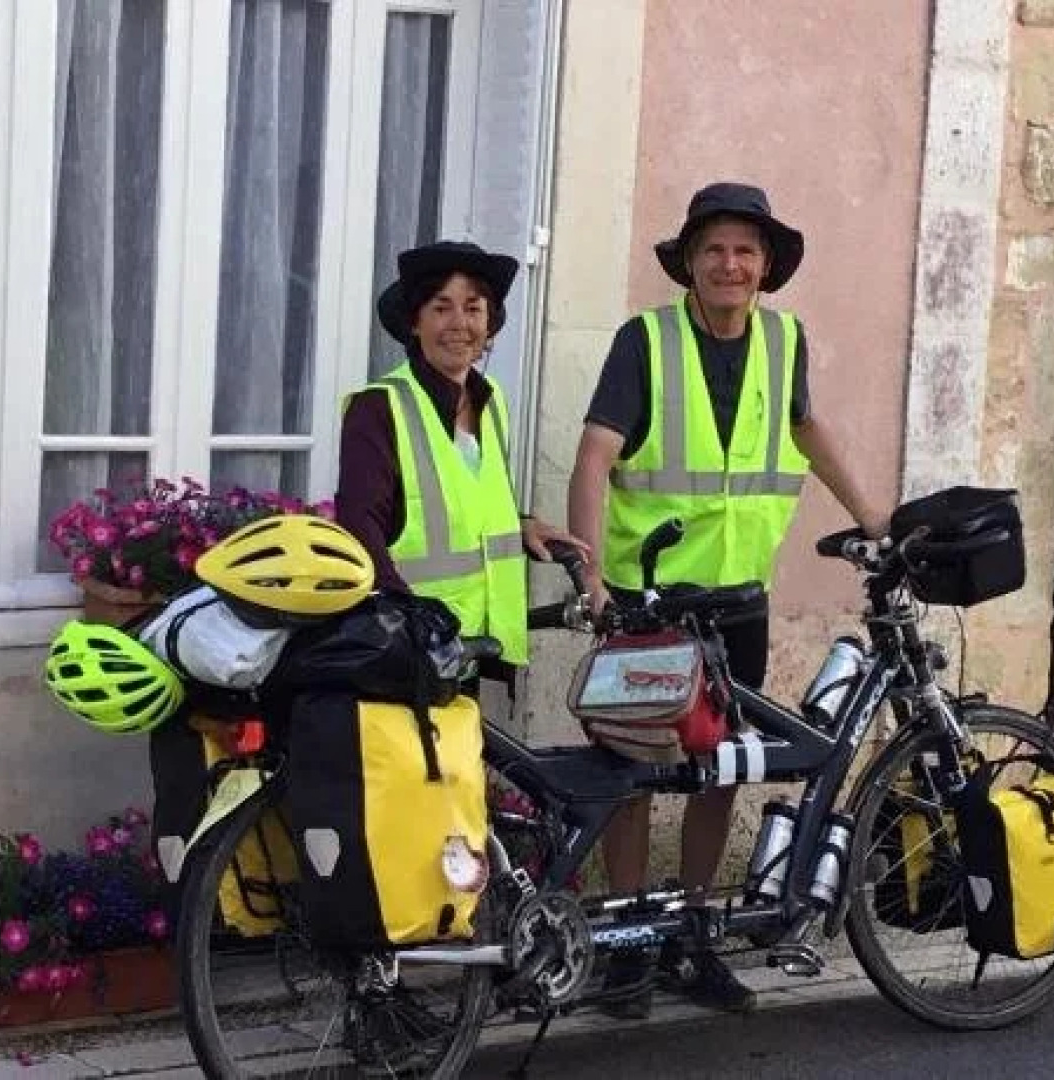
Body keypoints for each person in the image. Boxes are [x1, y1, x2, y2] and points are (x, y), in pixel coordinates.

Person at [567, 182, 888, 1017]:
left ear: (767, 265)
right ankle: (631, 949)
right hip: (648, 601)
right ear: (690, 262)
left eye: (746, 251)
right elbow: (596, 454)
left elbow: (807, 429)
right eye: (714, 249)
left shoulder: (784, 341)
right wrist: (590, 574)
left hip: (740, 600)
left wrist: (871, 516)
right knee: (632, 772)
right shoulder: (647, 340)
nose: (730, 264)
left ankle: (693, 935)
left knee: (722, 772)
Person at [336, 240, 587, 668]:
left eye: (473, 309)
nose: (459, 324)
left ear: (490, 326)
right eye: (441, 307)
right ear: (414, 322)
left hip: (477, 644)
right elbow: (361, 531)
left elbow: (461, 498)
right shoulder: (378, 408)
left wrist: (520, 526)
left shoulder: (494, 405)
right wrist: (412, 627)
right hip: (411, 650)